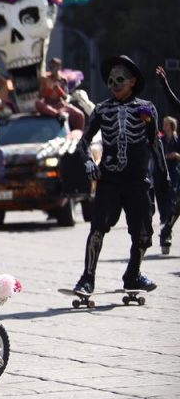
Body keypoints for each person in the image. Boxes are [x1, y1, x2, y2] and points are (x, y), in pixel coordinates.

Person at [72, 56, 168, 295]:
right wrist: (89, 162)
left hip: (137, 181)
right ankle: (87, 278)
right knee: (97, 228)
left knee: (143, 234)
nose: (114, 84)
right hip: (110, 180)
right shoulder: (102, 110)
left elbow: (155, 143)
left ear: (132, 81)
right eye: (111, 81)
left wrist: (164, 176)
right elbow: (83, 142)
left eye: (120, 80)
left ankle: (133, 275)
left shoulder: (146, 108)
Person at [157, 116, 179, 254]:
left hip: (177, 175)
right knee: (170, 205)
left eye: (166, 124)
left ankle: (166, 232)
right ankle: (166, 232)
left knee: (174, 205)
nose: (163, 126)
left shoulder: (178, 140)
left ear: (171, 125)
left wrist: (176, 155)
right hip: (163, 176)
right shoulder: (161, 140)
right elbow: (156, 155)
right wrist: (165, 157)